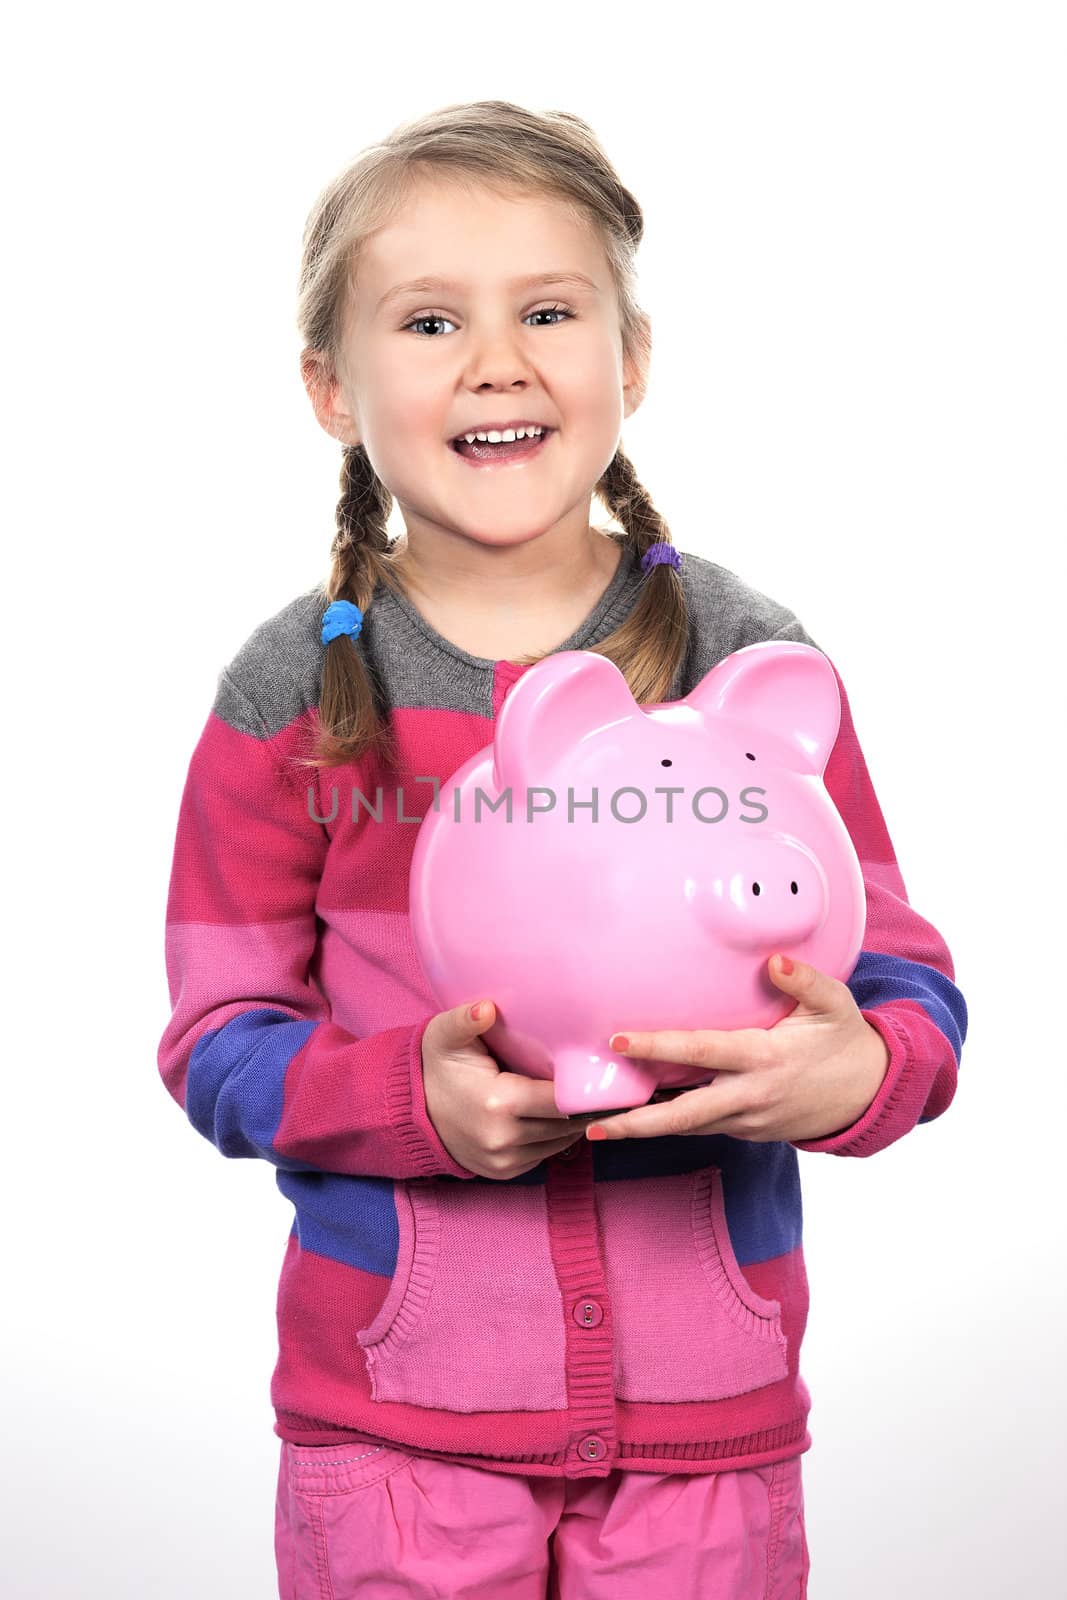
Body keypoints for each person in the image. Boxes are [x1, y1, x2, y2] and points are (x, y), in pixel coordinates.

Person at [157, 99, 968, 1600]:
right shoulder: (293, 693)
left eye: (547, 309)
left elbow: (904, 978)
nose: (496, 361)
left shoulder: (742, 653)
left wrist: (860, 1074)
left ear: (630, 360)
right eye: (428, 322)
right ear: (332, 389)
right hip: (394, 1426)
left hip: (708, 1428)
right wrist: (413, 1102)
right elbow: (217, 1038)